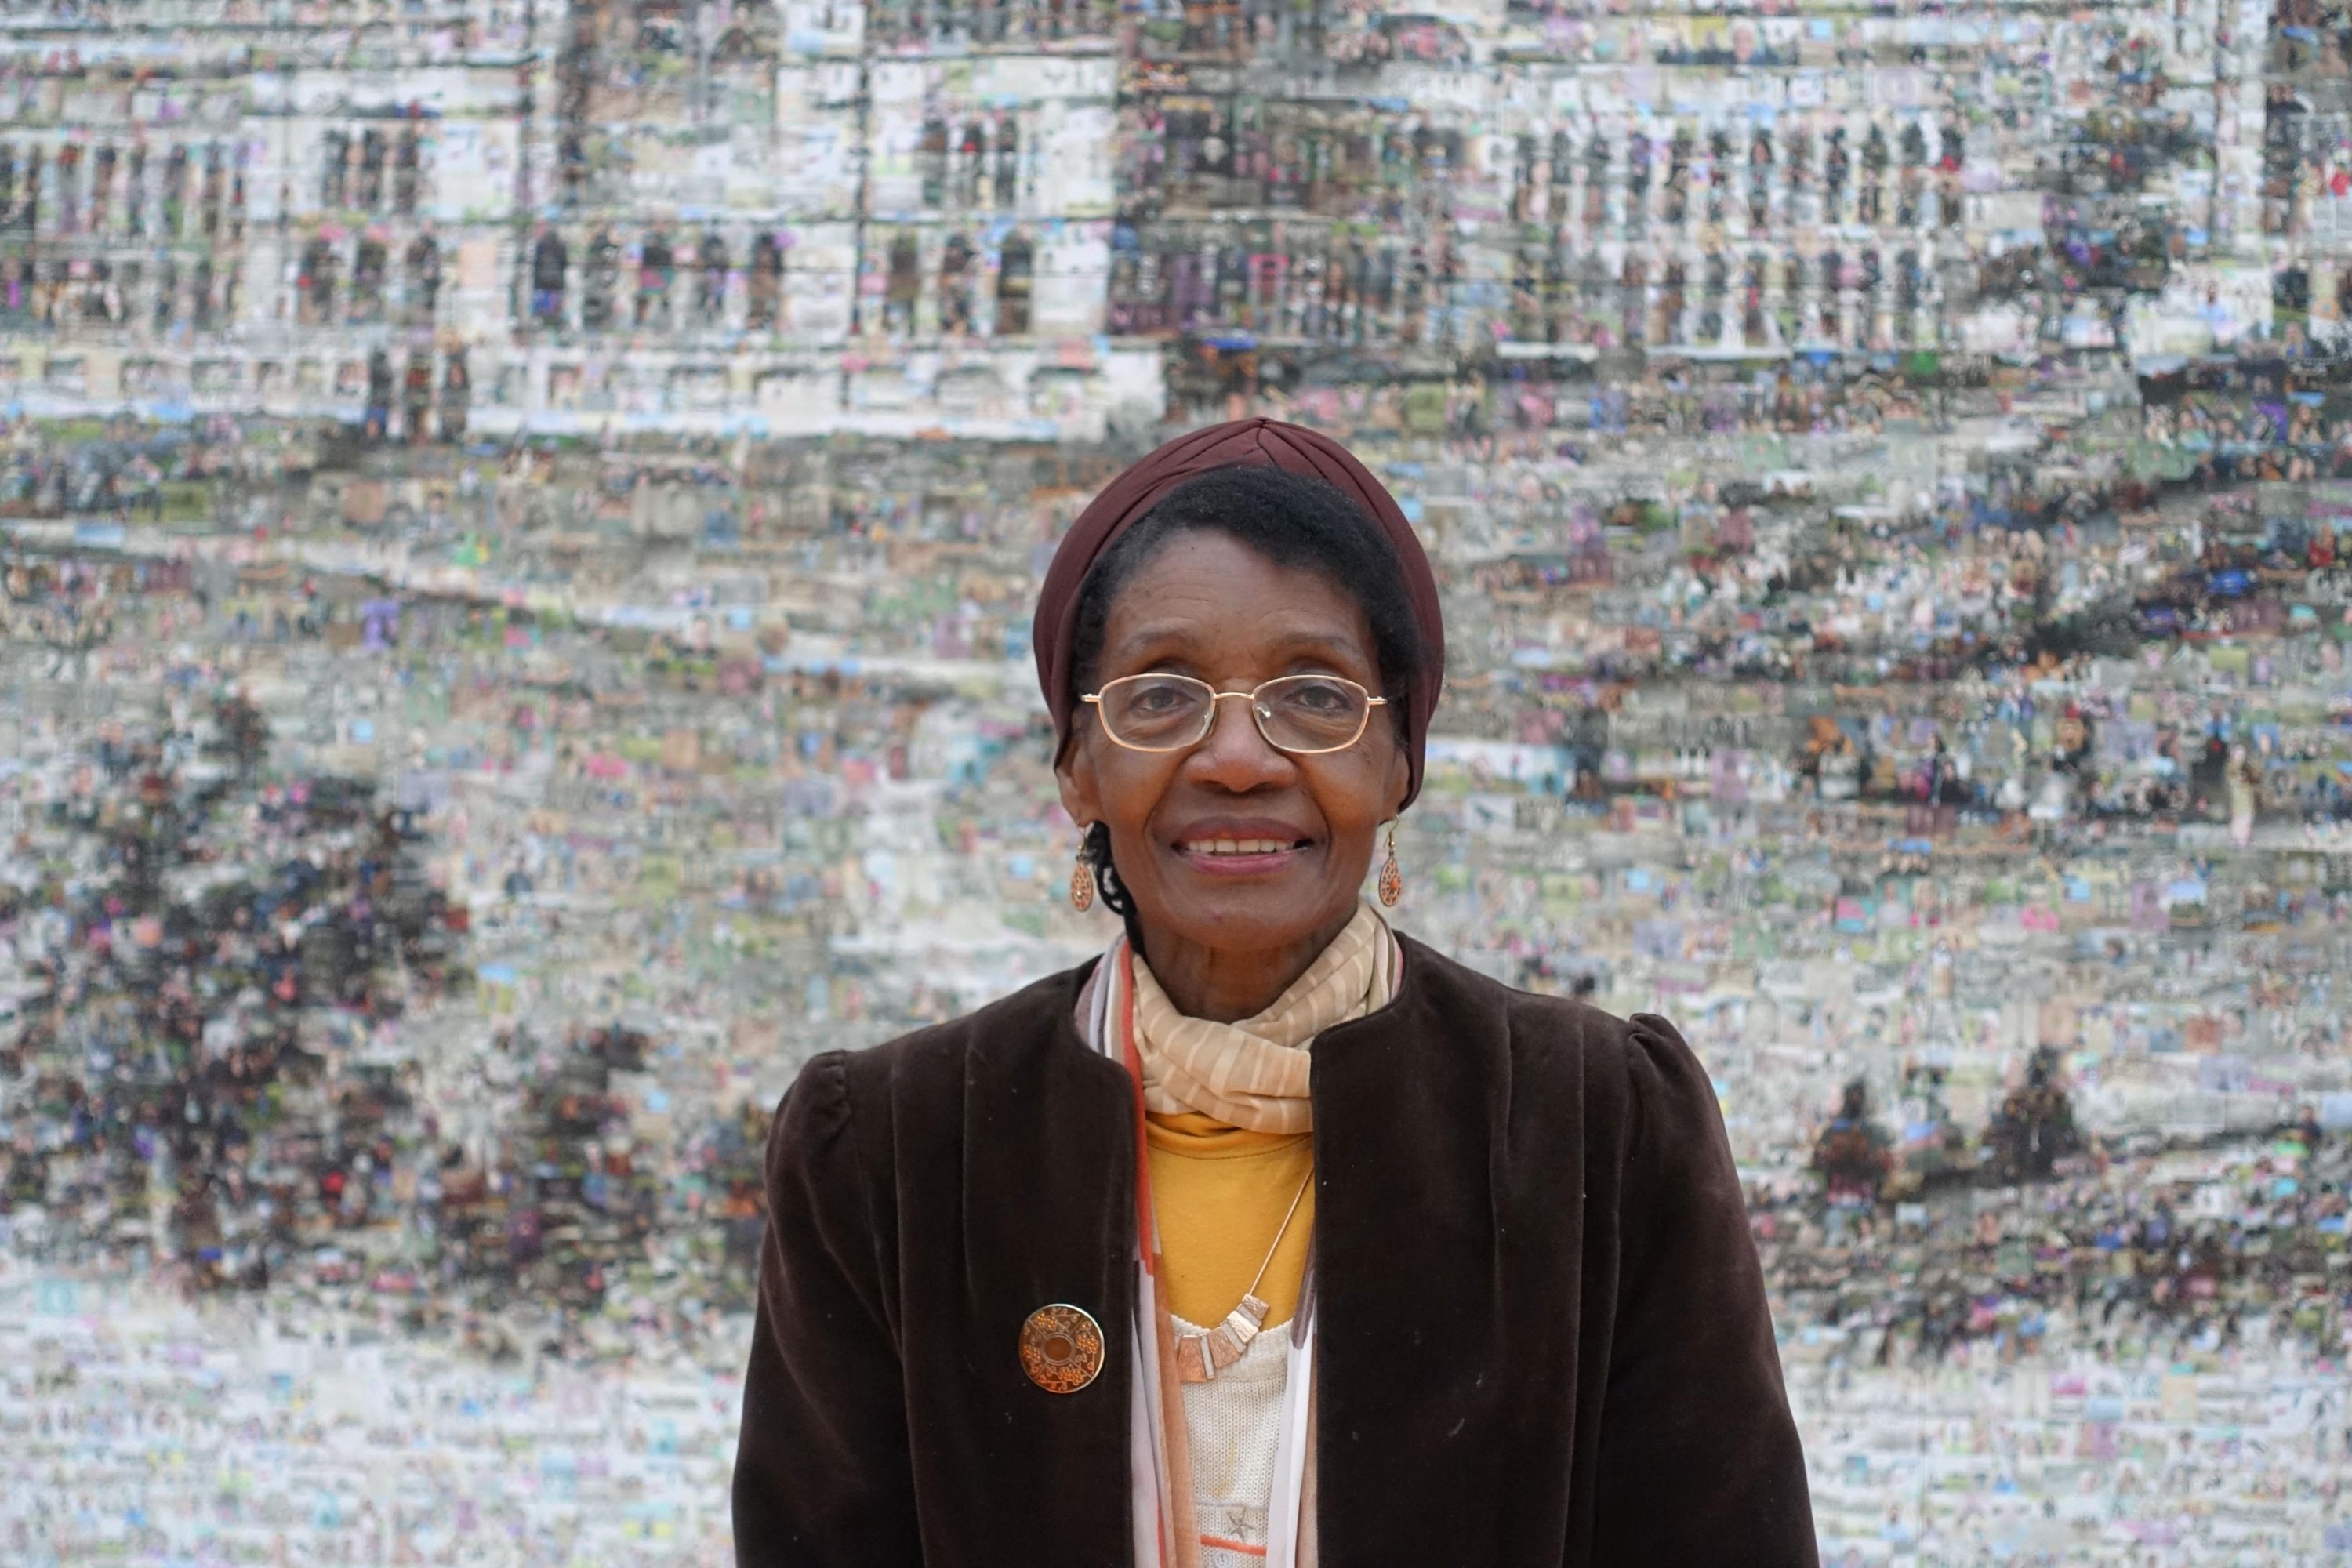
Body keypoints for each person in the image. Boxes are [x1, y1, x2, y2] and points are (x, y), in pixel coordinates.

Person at [731, 418, 1816, 1566]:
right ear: (1077, 766)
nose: (1239, 760)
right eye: (1161, 697)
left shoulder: (1599, 1128)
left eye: (1315, 698)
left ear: (1400, 761)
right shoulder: (894, 1154)